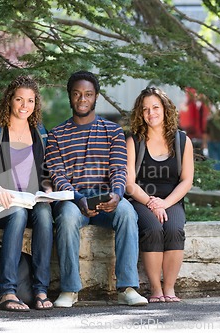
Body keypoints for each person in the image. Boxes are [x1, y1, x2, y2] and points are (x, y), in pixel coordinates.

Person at [45, 70, 148, 308]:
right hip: (73, 200)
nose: (82, 99)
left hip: (106, 199)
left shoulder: (112, 131)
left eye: (88, 94)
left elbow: (119, 170)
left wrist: (117, 194)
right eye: (77, 94)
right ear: (69, 96)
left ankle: (127, 287)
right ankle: (70, 290)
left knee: (126, 212)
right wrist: (78, 197)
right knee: (68, 218)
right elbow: (57, 175)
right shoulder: (57, 135)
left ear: (96, 97)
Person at [0, 76, 54, 312]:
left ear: (35, 103)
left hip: (30, 200)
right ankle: (8, 291)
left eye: (30, 100)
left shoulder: (40, 133)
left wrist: (47, 191)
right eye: (19, 99)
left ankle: (40, 289)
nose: (24, 106)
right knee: (17, 214)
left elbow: (45, 175)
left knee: (45, 214)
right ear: (9, 100)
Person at [125, 87, 194, 303]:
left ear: (165, 109)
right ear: (140, 113)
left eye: (155, 107)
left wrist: (165, 203)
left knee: (174, 229)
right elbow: (129, 184)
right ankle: (155, 289)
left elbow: (186, 180)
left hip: (171, 200)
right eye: (145, 109)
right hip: (141, 201)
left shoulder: (182, 141)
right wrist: (152, 204)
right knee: (153, 229)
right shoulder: (134, 141)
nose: (151, 113)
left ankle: (169, 288)